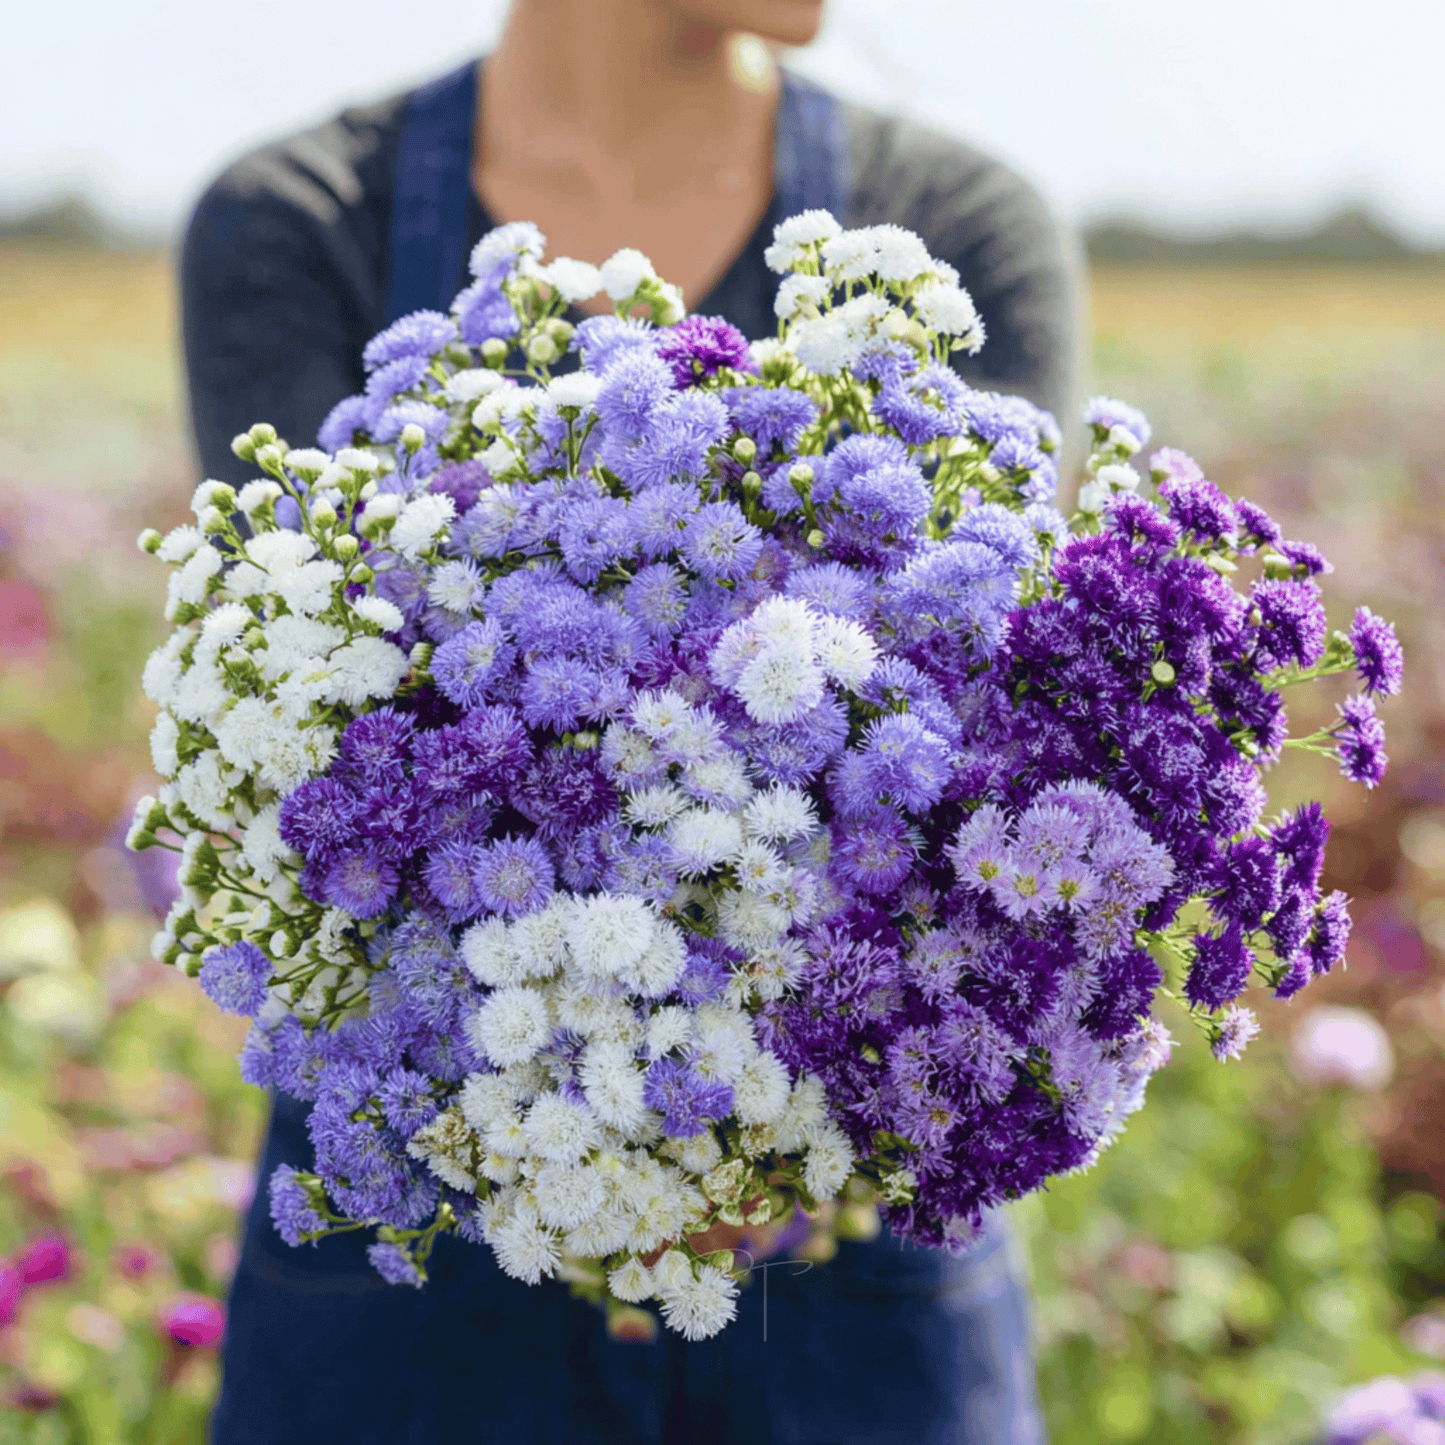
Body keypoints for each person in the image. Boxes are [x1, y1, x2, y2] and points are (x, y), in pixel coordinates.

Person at [182, 3, 1079, 1440]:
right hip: (421, 1230)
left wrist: (774, 1135)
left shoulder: (952, 223)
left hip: (852, 1244)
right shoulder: (304, 222)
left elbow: (992, 745)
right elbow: (314, 739)